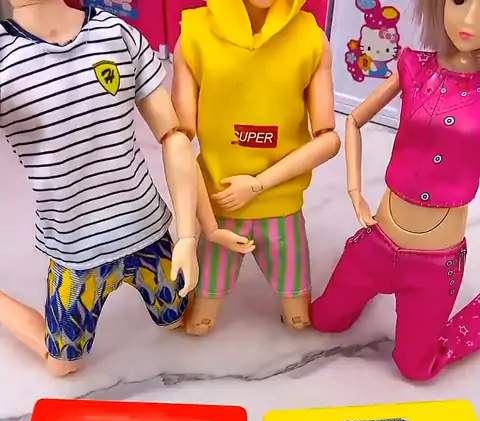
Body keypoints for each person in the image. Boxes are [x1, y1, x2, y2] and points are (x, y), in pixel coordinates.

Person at [0, 0, 199, 376]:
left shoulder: (116, 33)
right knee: (63, 364)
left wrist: (187, 235)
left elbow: (174, 137)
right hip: (76, 250)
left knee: (178, 319)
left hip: (148, 231)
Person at [310, 0, 480, 382]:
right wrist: (354, 191)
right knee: (323, 319)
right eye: (458, 1)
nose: (469, 19)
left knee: (416, 367)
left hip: (434, 262)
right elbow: (354, 120)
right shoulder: (413, 65)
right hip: (378, 239)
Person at [172, 0, 341, 335]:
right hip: (219, 206)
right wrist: (198, 228)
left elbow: (328, 139)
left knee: (298, 316)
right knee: (201, 319)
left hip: (282, 207)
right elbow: (179, 142)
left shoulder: (311, 38)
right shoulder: (194, 35)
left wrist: (258, 184)